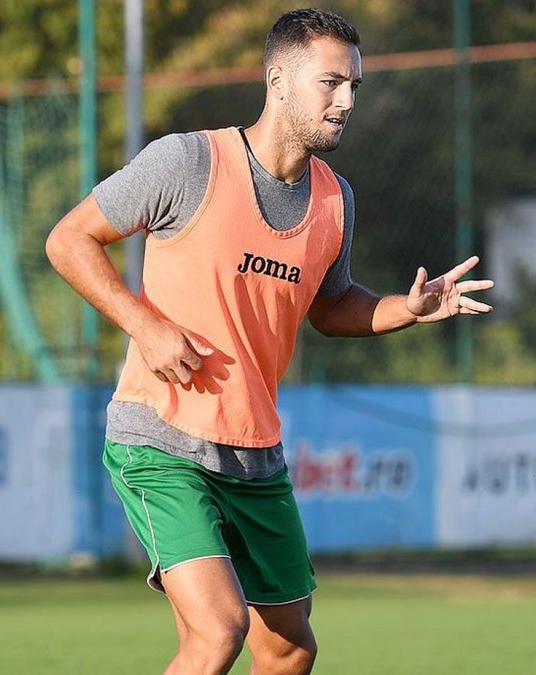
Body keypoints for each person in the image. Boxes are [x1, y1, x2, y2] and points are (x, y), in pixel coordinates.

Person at [45, 8, 493, 674]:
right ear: (278, 81)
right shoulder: (188, 162)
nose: (346, 101)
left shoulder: (335, 200)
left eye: (355, 86)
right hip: (160, 438)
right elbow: (68, 239)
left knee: (288, 649)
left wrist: (406, 308)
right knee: (218, 632)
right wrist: (146, 325)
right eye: (330, 83)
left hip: (255, 454)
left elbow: (330, 307)